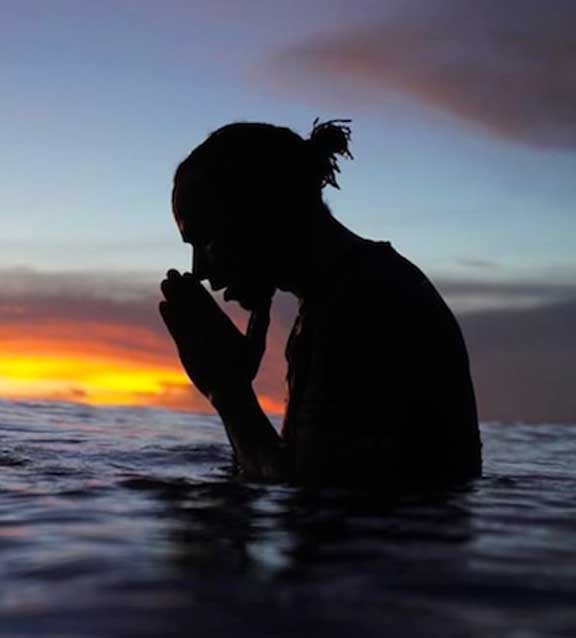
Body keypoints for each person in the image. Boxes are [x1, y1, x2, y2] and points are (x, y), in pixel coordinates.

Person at [159, 120, 482, 485]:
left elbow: (313, 489)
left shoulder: (365, 306)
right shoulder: (338, 296)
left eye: (207, 241)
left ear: (260, 212)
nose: (199, 271)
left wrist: (228, 391)